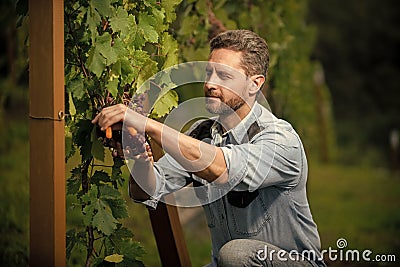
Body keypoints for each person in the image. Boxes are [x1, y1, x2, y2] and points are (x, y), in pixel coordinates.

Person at [93, 29, 326, 267]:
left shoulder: (279, 139)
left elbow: (222, 170)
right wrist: (138, 153)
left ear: (254, 85)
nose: (210, 84)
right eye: (208, 73)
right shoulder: (203, 134)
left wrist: (146, 123)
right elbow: (147, 189)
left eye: (224, 76)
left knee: (234, 254)